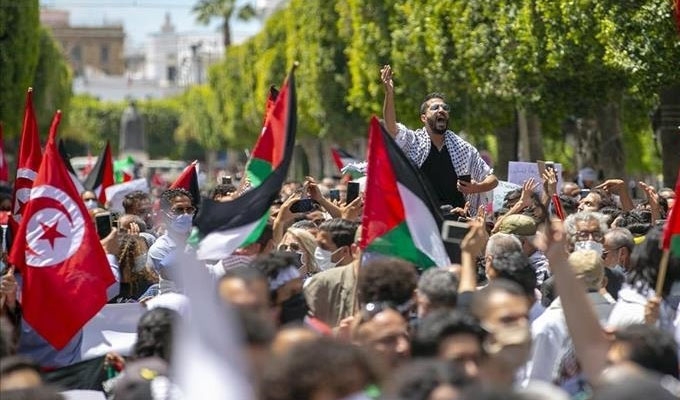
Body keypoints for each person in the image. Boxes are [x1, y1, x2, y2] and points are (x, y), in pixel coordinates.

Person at [381, 65, 498, 213]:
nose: (441, 110)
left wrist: (477, 187)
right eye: (435, 108)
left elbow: (493, 179)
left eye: (445, 108)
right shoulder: (412, 142)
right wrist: (389, 93)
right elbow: (391, 127)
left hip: (456, 222)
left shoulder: (463, 149)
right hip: (420, 219)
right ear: (423, 117)